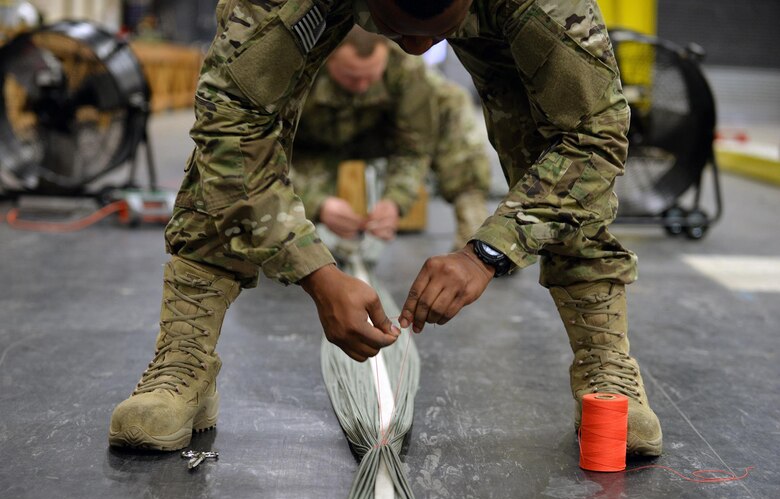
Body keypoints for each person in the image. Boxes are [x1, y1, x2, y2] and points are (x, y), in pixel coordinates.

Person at [109, 0, 662, 457]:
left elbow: (595, 138)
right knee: (226, 165)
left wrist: (487, 252)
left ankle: (604, 366)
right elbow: (229, 131)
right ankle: (183, 363)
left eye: (434, 34)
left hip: (507, 22)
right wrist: (316, 274)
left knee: (567, 170)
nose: (417, 50)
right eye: (399, 30)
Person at [292, 26, 491, 249]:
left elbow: (414, 148)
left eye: (370, 77)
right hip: (309, 146)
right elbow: (266, 153)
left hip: (379, 136)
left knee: (450, 101)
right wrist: (316, 203)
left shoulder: (405, 67)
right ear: (328, 60)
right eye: (352, 77)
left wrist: (395, 201)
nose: (362, 86)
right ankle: (281, 240)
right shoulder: (297, 70)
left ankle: (474, 234)